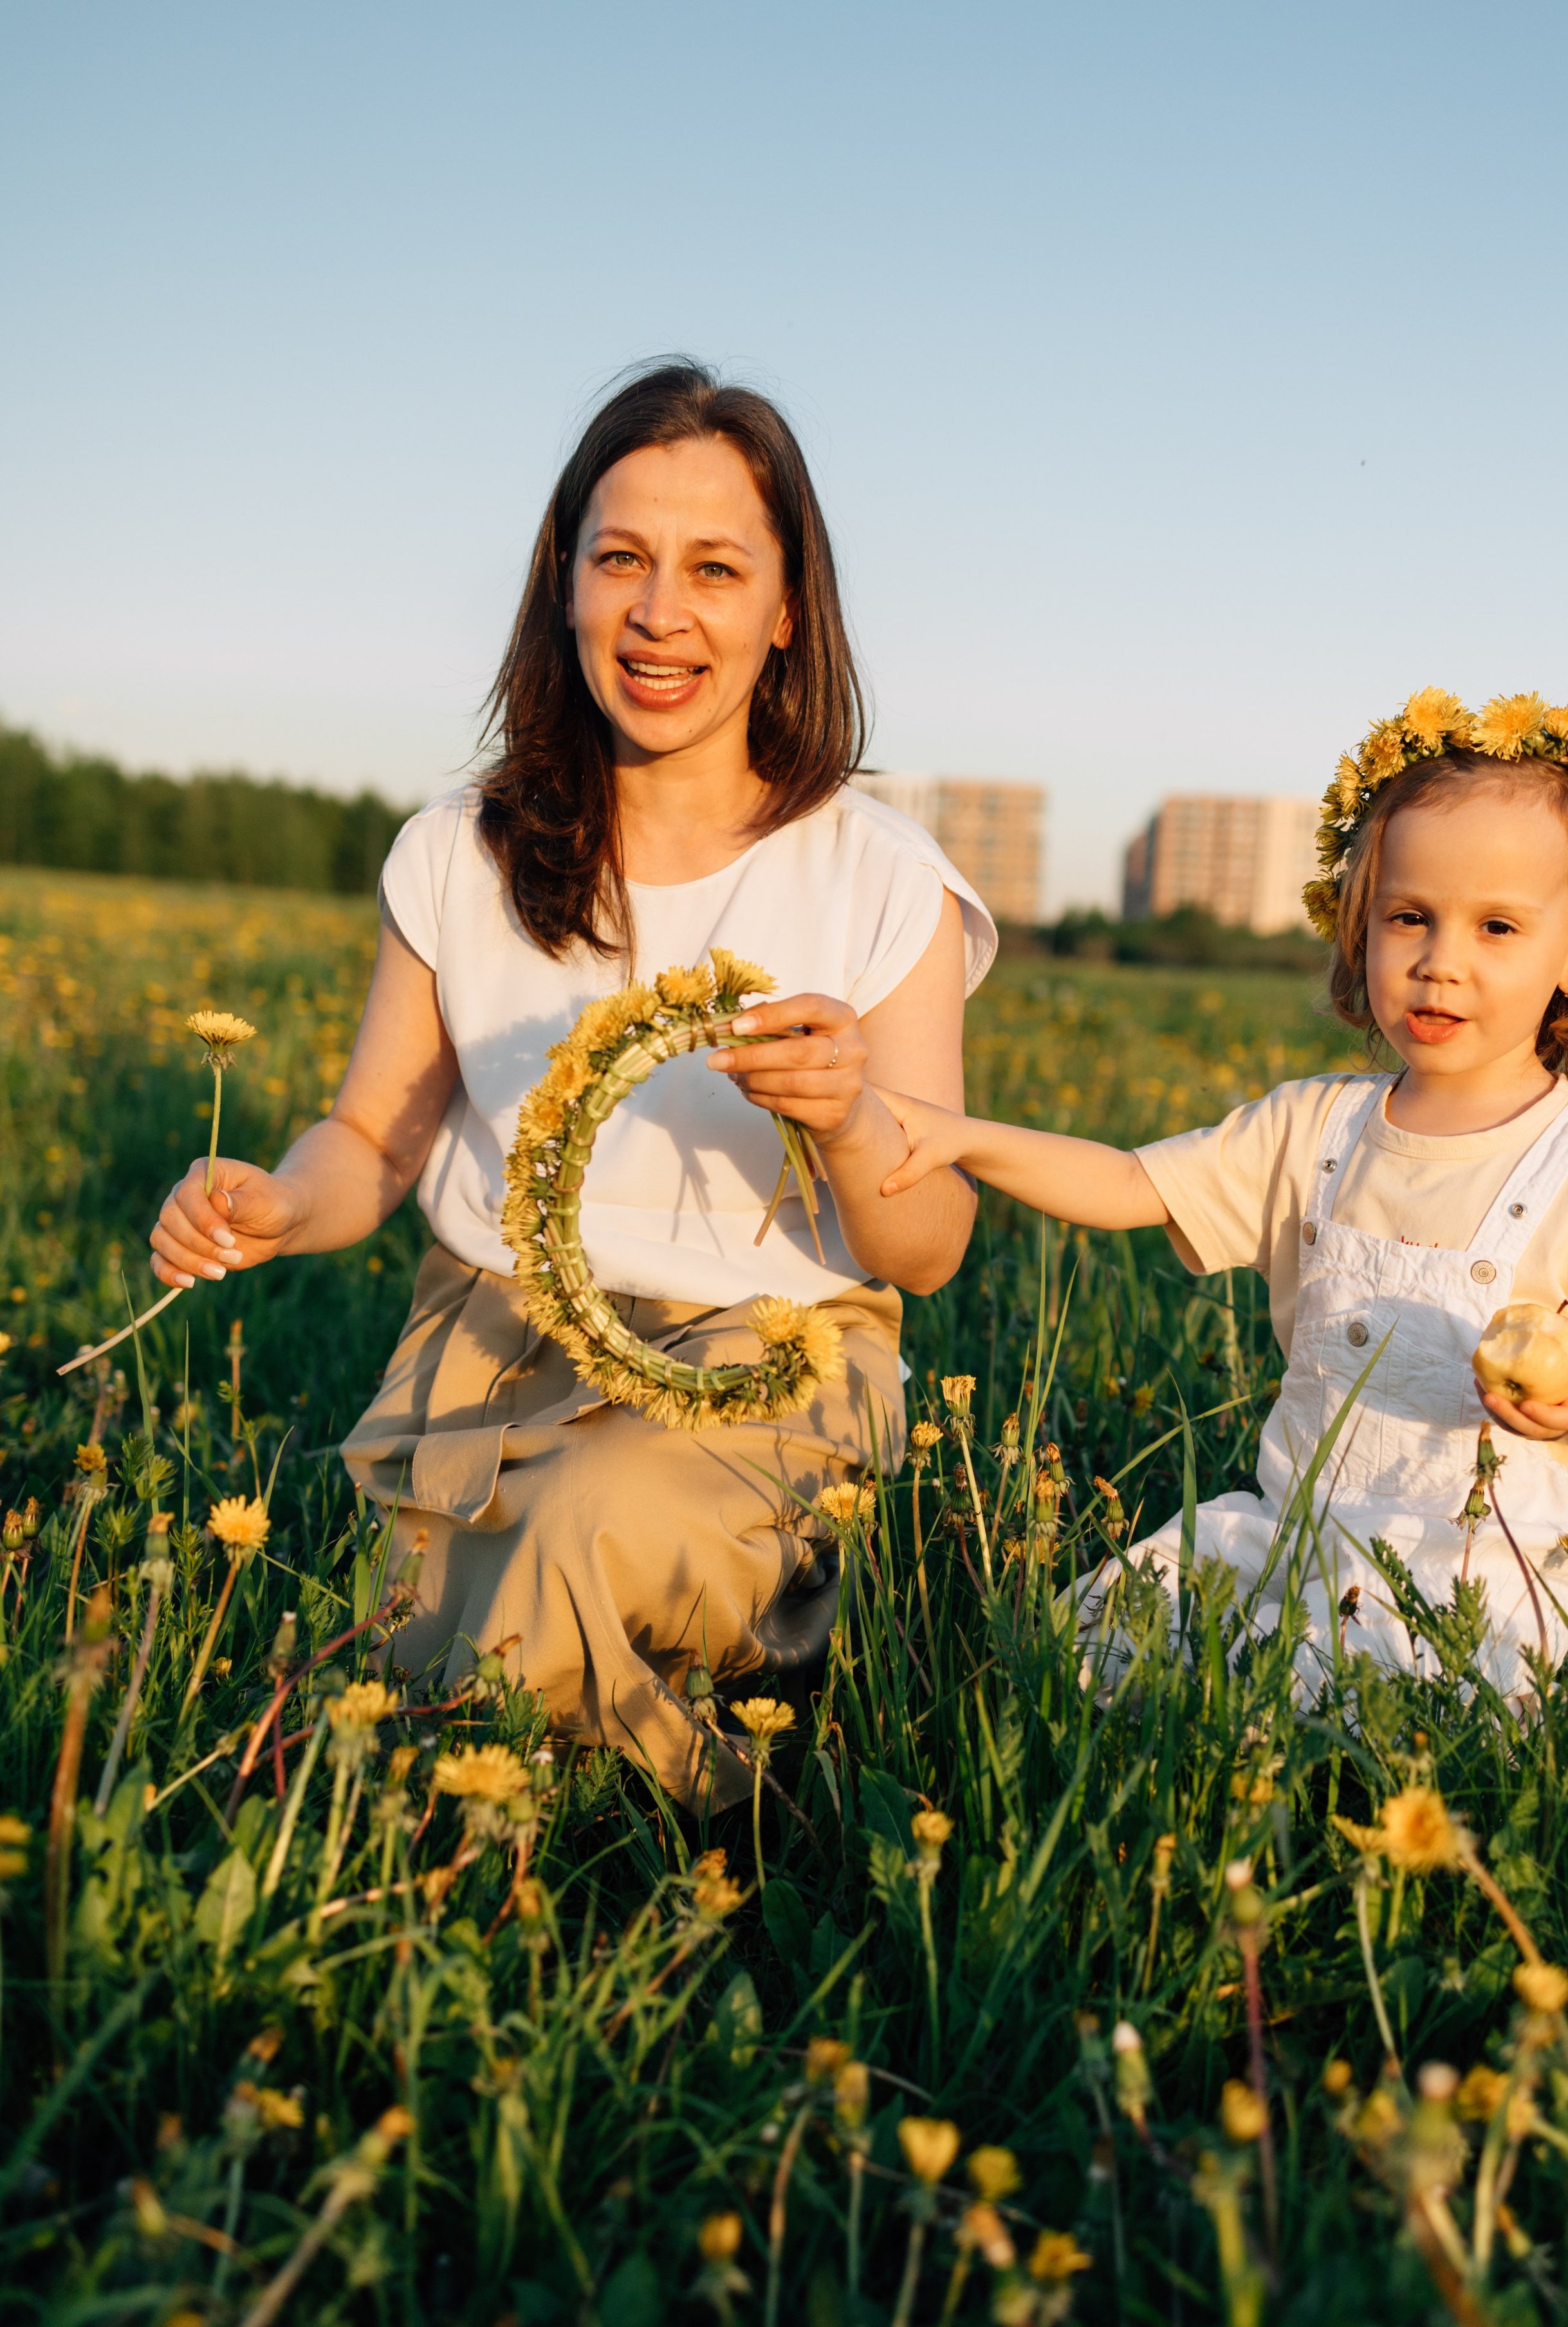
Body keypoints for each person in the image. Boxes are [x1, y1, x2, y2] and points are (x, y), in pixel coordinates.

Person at [147, 361, 993, 1807]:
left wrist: (853, 1122)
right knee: (448, 1606)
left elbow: (927, 1248)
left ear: (788, 610)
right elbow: (371, 1137)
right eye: (620, 561)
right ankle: (662, 1720)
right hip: (497, 1336)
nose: (660, 613)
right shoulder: (460, 852)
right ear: (565, 585)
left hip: (766, 1358)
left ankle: (626, 1802)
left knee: (568, 1535)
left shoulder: (881, 880)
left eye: (715, 569)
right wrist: (279, 1201)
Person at [874, 690, 1568, 1696]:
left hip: (1470, 1578)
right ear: (1360, 929)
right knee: (1088, 1639)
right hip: (1291, 1532)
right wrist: (966, 1137)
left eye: (1497, 926)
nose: (1439, 962)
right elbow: (1129, 1183)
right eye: (1407, 917)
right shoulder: (1315, 1129)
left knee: (1332, 1690)